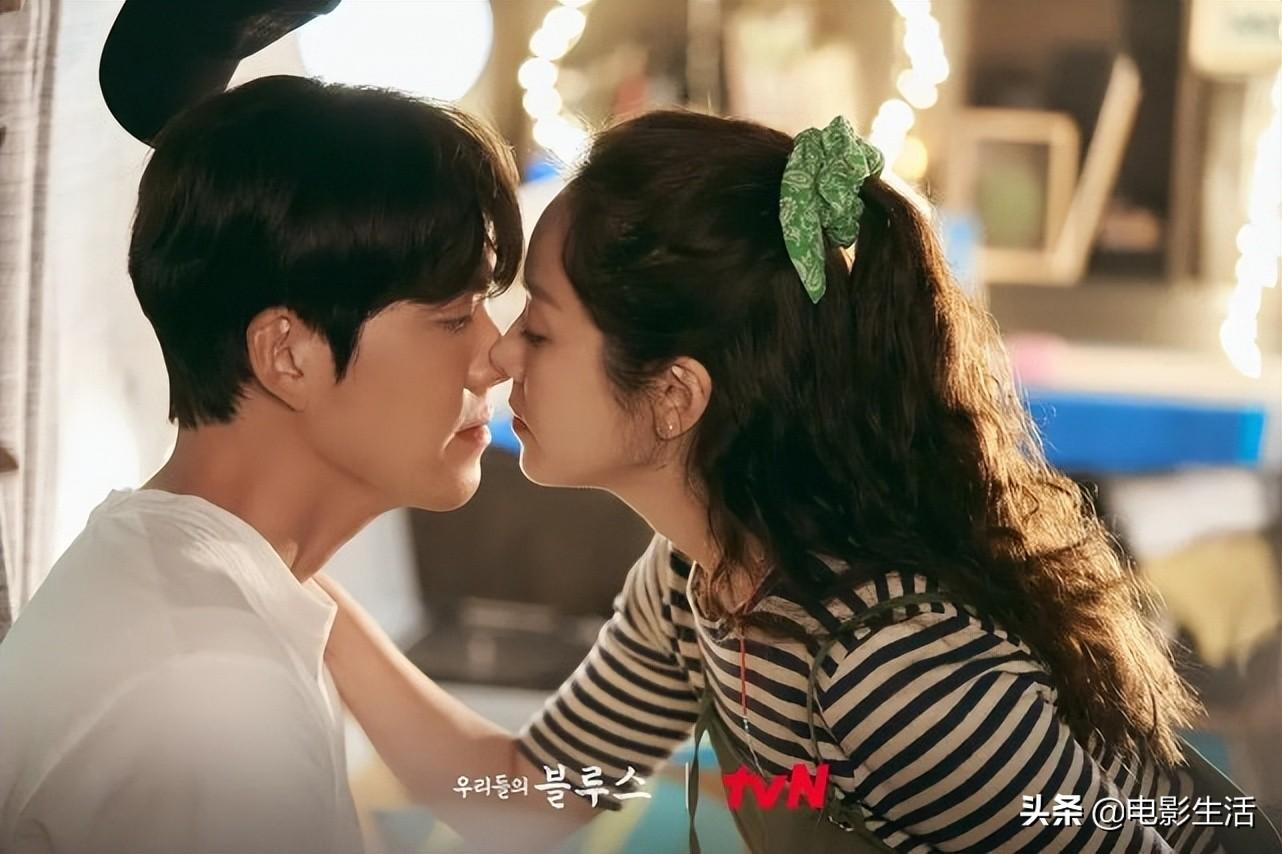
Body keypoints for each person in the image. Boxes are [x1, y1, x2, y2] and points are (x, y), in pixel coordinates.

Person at [321, 110, 1279, 853]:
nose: (497, 357)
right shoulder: (696, 583)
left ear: (674, 394)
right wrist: (301, 591)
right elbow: (532, 794)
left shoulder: (894, 676)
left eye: (540, 326)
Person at [0, 74, 521, 854]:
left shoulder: (190, 577)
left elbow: (516, 793)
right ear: (287, 355)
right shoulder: (214, 690)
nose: (497, 356)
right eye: (454, 316)